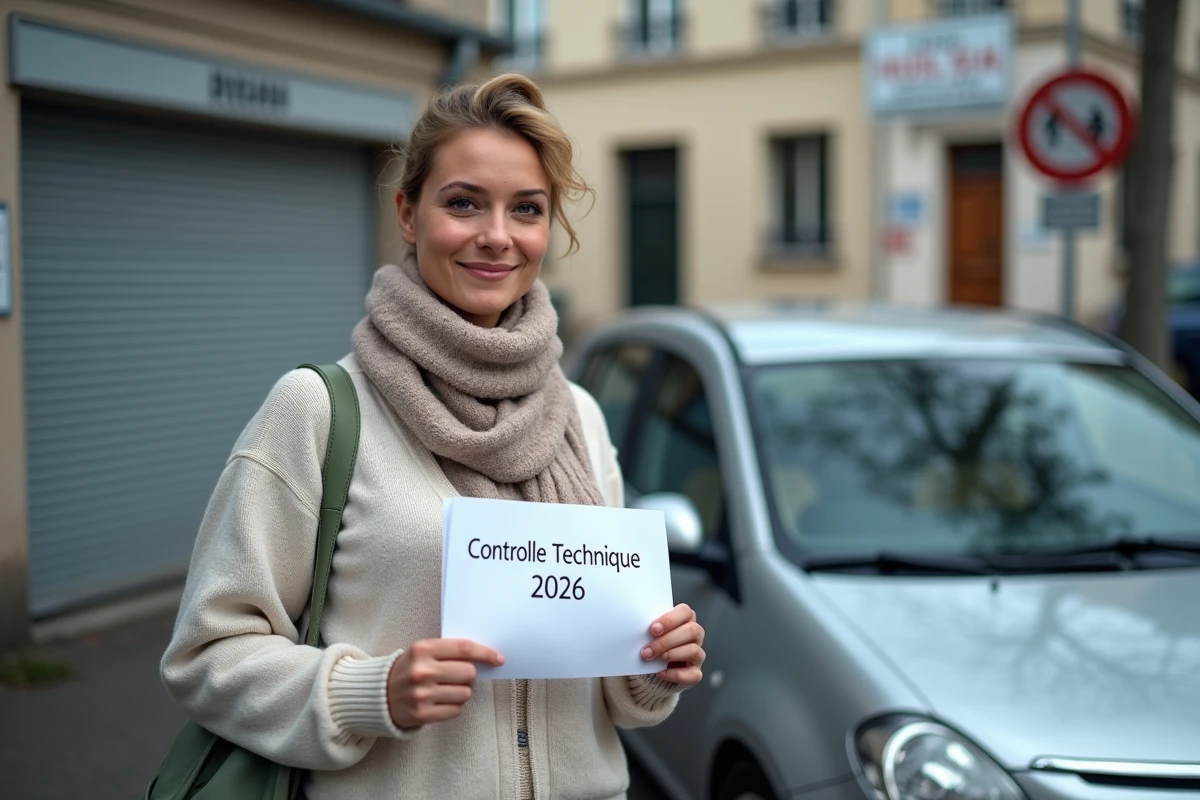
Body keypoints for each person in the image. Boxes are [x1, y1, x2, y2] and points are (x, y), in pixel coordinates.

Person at [160, 73, 706, 799]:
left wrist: (652, 665)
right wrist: (370, 692)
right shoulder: (319, 410)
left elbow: (615, 695)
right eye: (463, 203)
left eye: (527, 209)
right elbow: (207, 656)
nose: (497, 236)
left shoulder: (578, 414)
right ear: (409, 214)